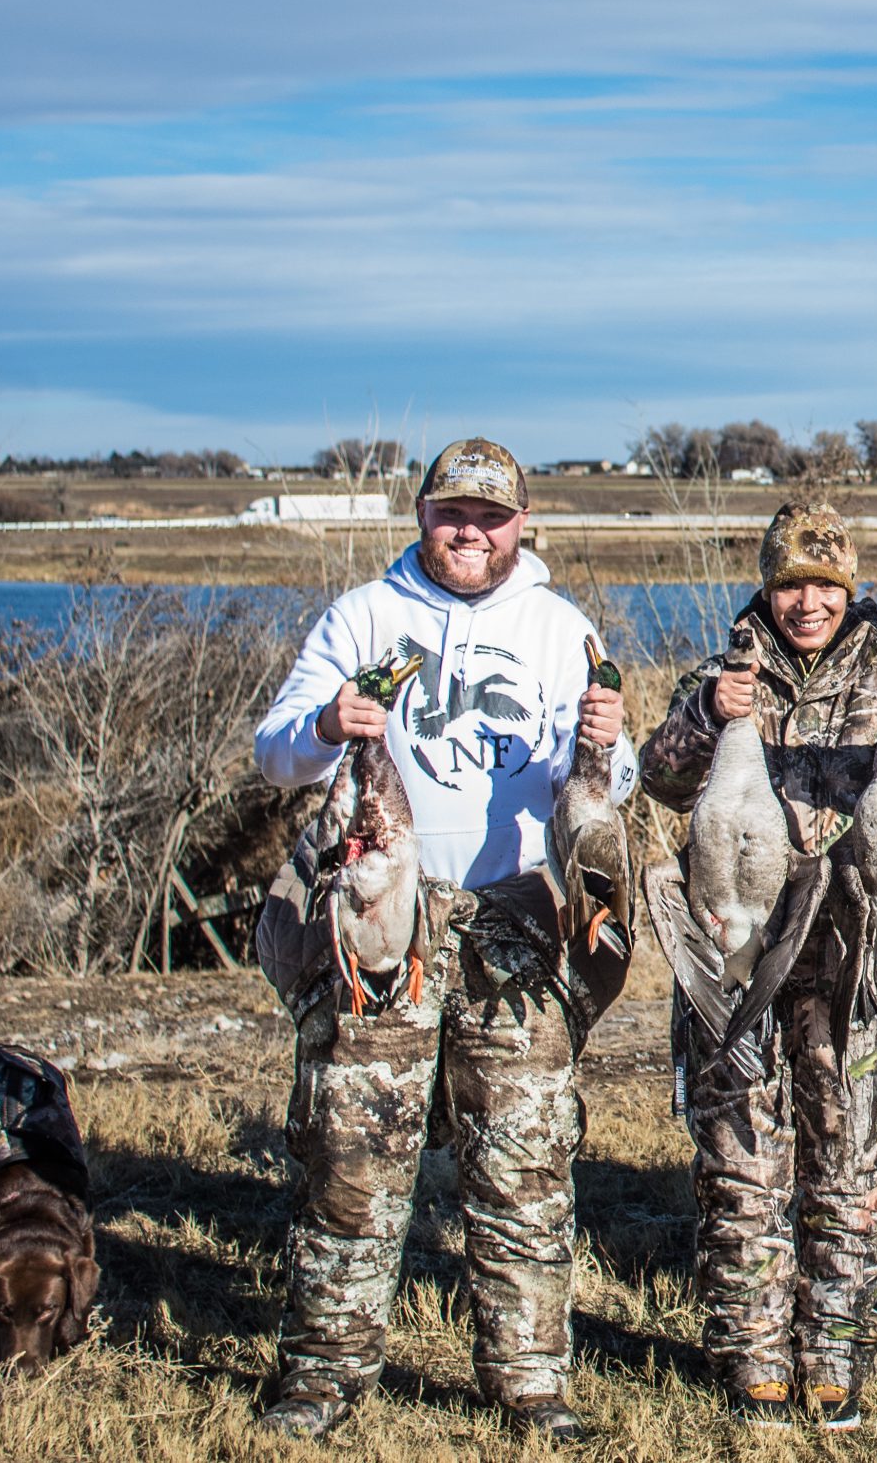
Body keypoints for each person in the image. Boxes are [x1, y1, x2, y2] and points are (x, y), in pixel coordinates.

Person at [250, 438, 636, 1442]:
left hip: (513, 918)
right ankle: (322, 1375)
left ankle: (531, 1383)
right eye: (452, 513)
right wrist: (327, 723)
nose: (471, 532)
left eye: (491, 517)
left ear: (522, 524)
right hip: (384, 910)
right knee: (353, 1153)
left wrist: (606, 746)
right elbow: (274, 755)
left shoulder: (559, 628)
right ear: (421, 514)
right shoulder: (363, 617)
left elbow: (611, 786)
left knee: (524, 1161)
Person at [636, 503, 877, 1428]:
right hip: (740, 963)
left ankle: (834, 1351)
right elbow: (659, 778)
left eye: (826, 585)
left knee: (850, 1160)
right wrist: (706, 715)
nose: (810, 603)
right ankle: (753, 1355)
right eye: (792, 585)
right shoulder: (727, 674)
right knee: (743, 1161)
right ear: (769, 589)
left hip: (853, 964)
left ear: (848, 587)